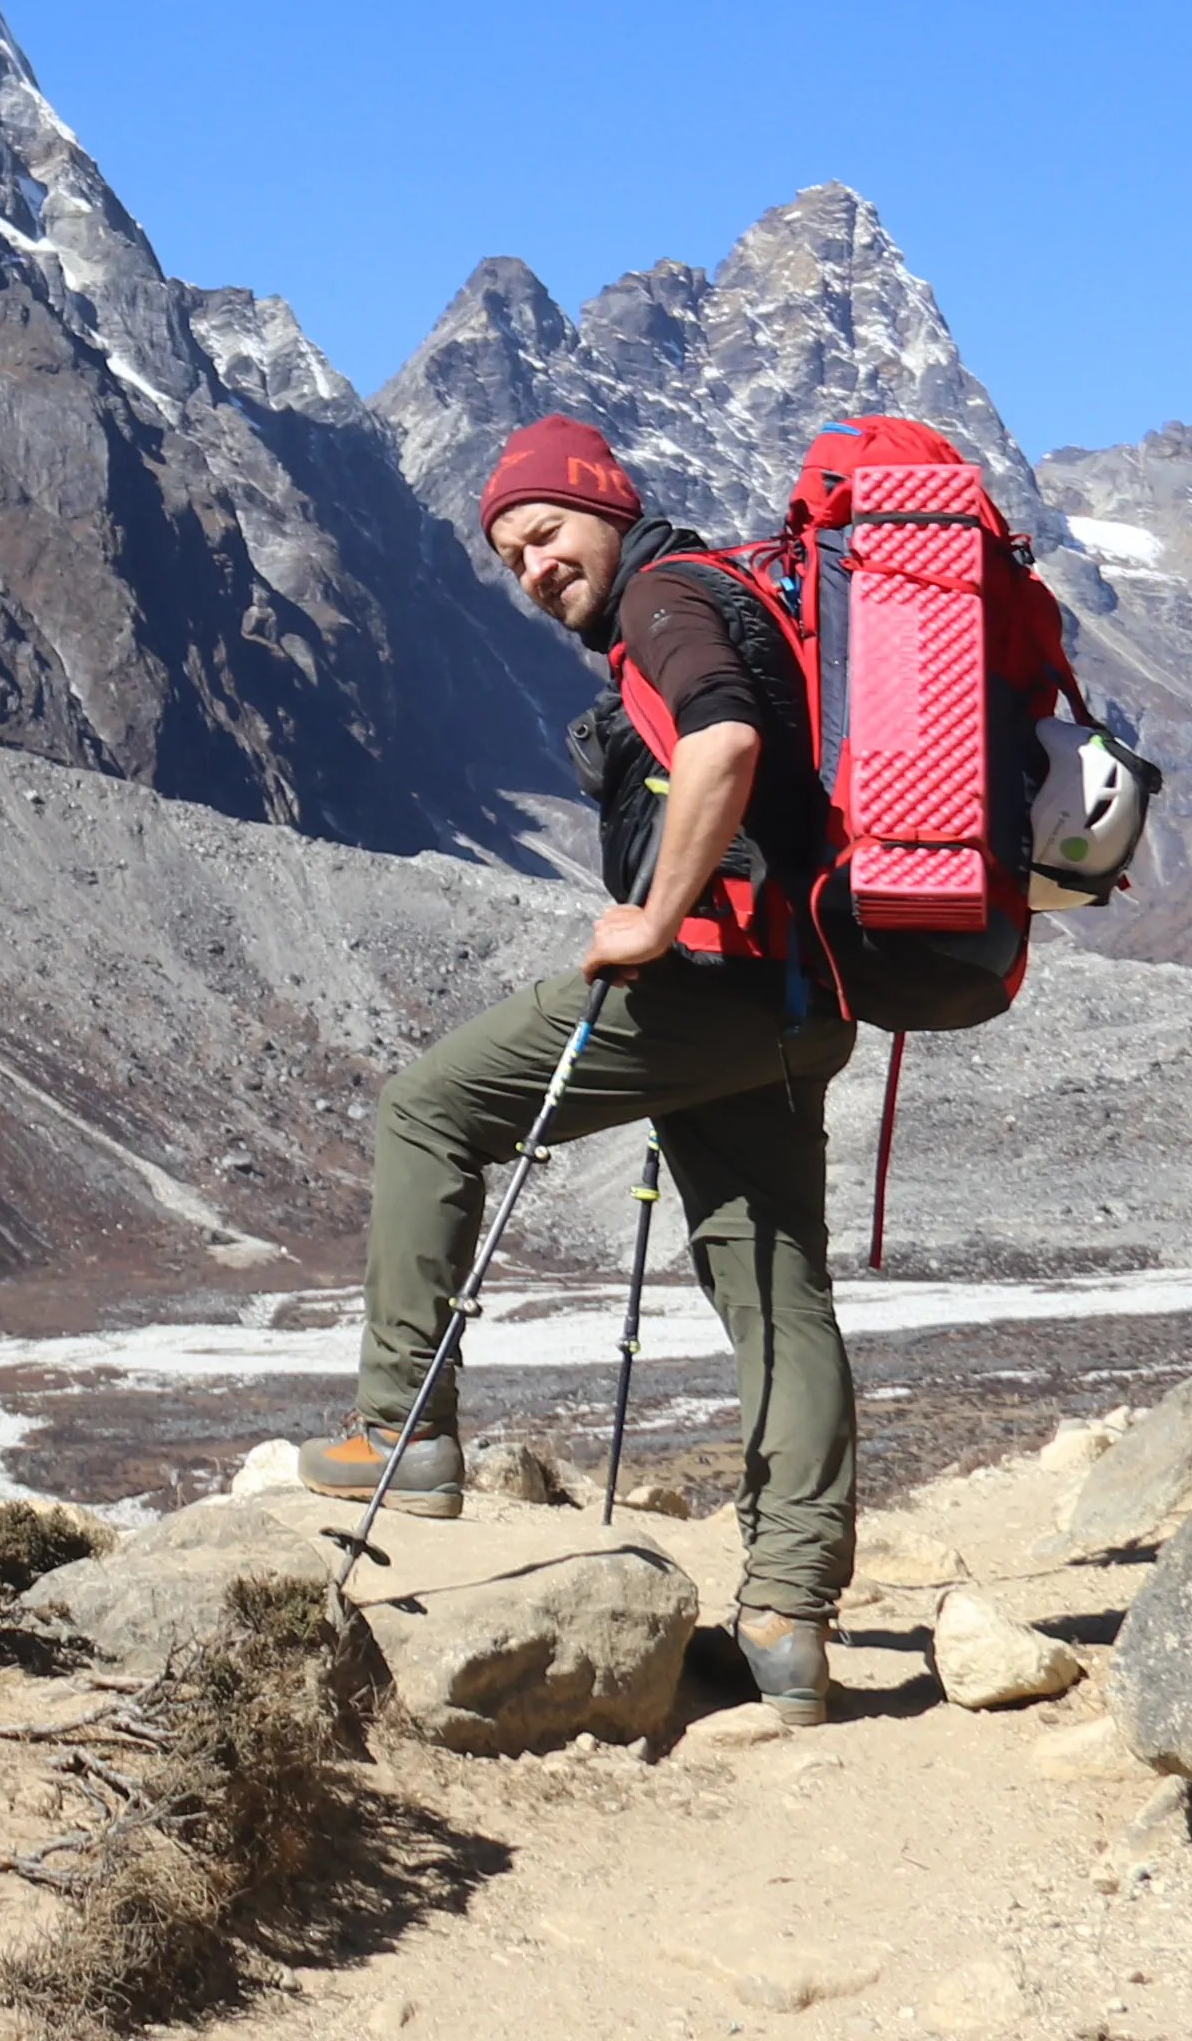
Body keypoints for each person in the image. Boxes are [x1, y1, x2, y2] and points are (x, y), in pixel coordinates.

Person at [300, 410, 862, 1724]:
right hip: (805, 998)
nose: (534, 568)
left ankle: (406, 1430)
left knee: (431, 1112)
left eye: (547, 532)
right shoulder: (714, 592)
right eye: (510, 555)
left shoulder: (666, 598)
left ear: (609, 504)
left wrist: (656, 919)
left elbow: (721, 746)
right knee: (779, 1295)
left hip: (716, 984)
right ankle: (786, 1626)